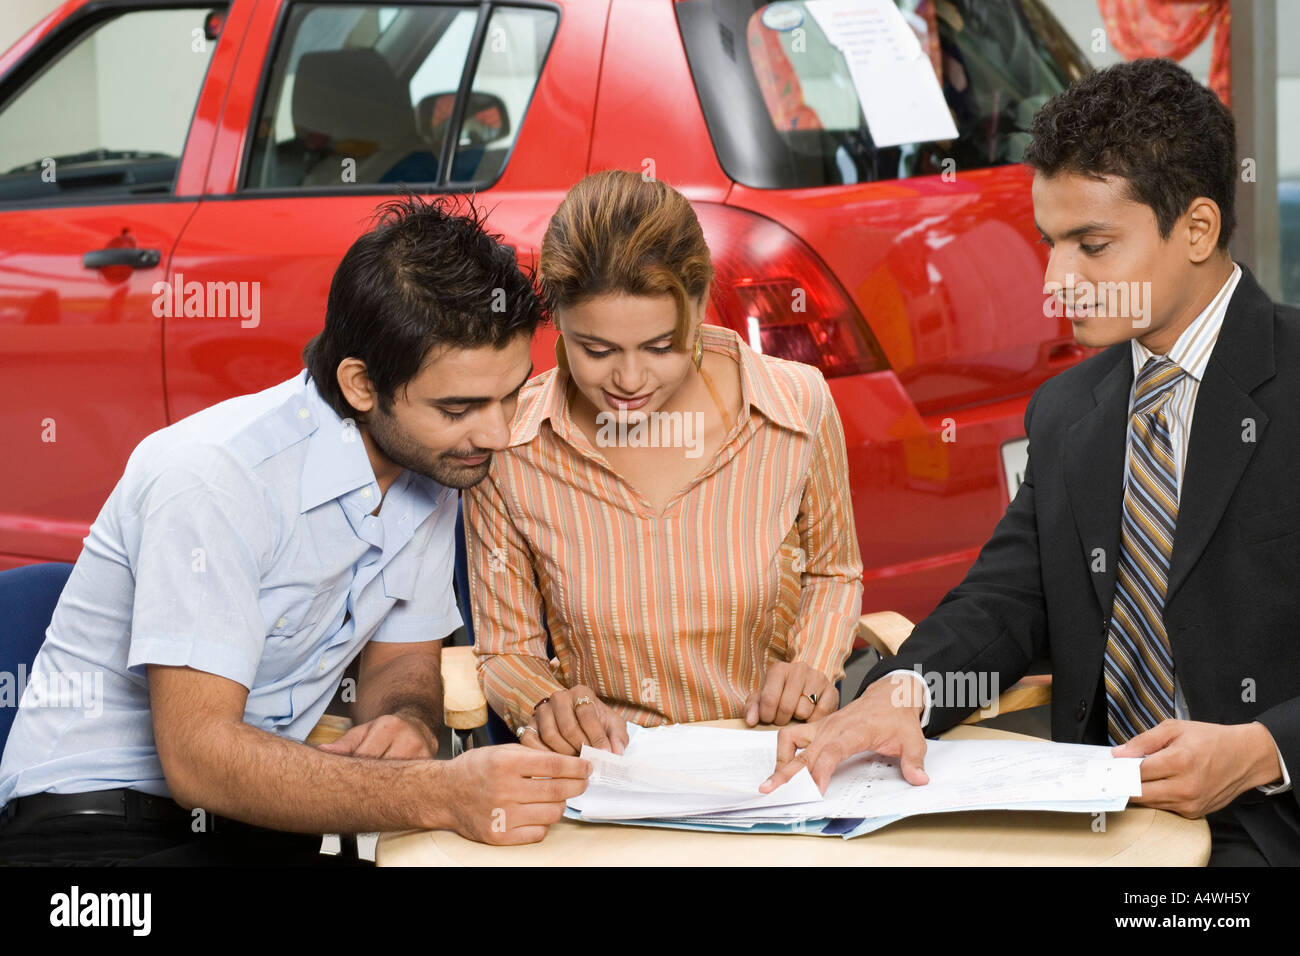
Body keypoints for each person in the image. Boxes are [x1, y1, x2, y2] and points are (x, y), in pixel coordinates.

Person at [762, 58, 1299, 866]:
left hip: (1267, 822)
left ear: (1196, 228)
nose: (1057, 281)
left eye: (1092, 246)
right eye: (1050, 245)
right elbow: (1009, 598)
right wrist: (901, 692)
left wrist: (1261, 749)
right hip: (1097, 813)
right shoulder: (1068, 412)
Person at [0, 195, 589, 865]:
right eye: (460, 407)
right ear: (363, 385)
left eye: (511, 395)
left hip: (255, 823)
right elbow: (200, 761)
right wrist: (437, 792)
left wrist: (406, 718)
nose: (497, 432)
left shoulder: (434, 464)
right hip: (94, 832)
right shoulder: (213, 477)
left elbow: (402, 659)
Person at [463, 170, 863, 755]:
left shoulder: (796, 408)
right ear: (559, 322)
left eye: (659, 347)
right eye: (595, 351)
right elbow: (505, 649)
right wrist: (547, 704)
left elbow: (834, 572)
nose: (628, 381)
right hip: (610, 778)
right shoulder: (514, 444)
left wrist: (812, 666)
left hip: (769, 761)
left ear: (699, 304)